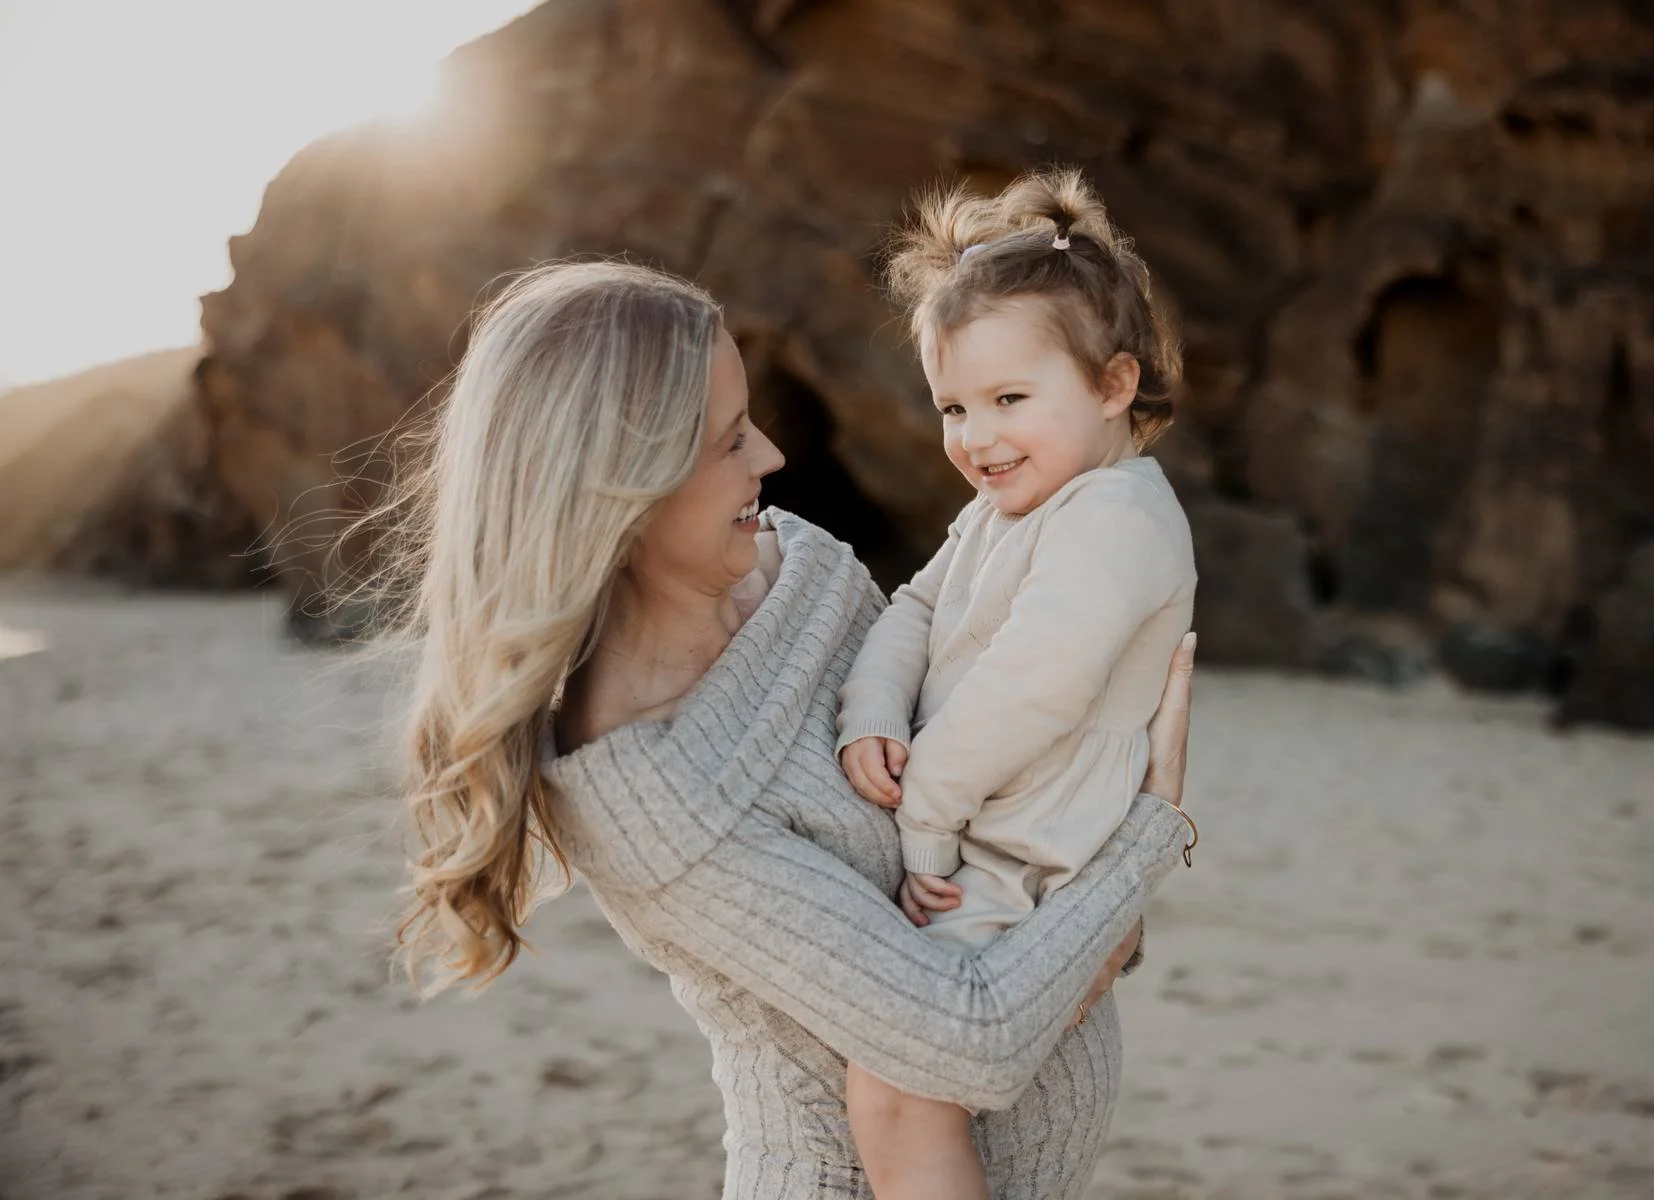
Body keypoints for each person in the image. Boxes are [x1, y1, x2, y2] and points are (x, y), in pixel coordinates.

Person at [386, 258, 1198, 1199]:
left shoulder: (798, 560)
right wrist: (1145, 837)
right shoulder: (656, 797)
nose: (770, 457)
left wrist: (1099, 886)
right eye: (731, 439)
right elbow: (967, 1040)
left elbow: (972, 742)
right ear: (621, 488)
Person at [834, 169, 1197, 1199]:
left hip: (1021, 863)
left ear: (1115, 384)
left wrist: (924, 826)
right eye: (953, 406)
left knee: (897, 1079)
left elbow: (1029, 696)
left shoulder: (1118, 519)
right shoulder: (1002, 512)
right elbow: (911, 611)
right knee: (884, 1080)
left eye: (1008, 401)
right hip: (976, 832)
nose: (975, 438)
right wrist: (870, 714)